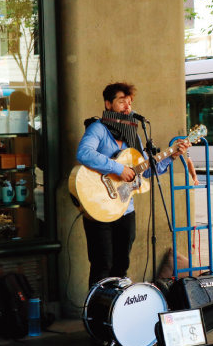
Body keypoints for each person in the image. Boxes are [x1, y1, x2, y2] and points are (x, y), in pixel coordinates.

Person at [76, 82, 190, 287]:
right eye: (122, 101)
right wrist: (119, 169)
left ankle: (116, 312)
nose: (127, 107)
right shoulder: (98, 129)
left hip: (125, 209)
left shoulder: (133, 135)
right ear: (108, 104)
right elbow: (84, 153)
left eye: (129, 102)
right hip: (98, 206)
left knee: (121, 265)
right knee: (102, 265)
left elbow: (145, 169)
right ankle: (95, 314)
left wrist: (172, 155)